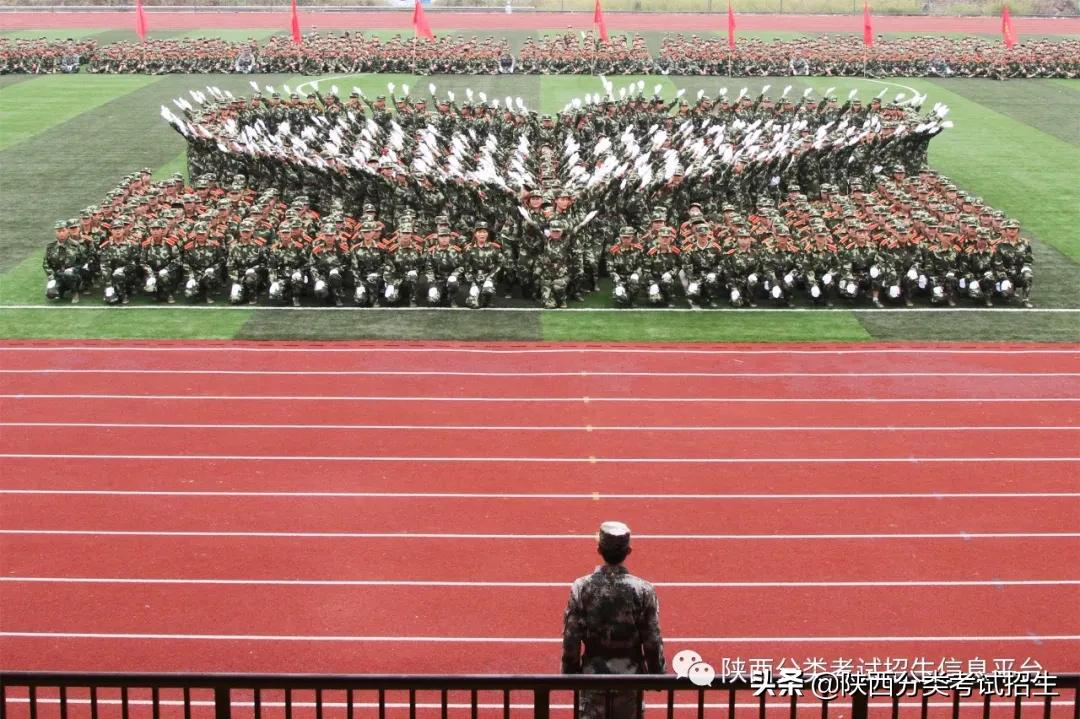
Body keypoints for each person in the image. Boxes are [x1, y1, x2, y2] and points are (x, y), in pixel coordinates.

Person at [562, 521, 665, 719]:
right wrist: (657, 675)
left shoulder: (582, 587)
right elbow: (652, 639)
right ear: (629, 551)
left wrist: (570, 675)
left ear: (599, 549)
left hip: (593, 682)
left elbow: (571, 639)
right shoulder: (643, 590)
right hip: (630, 683)